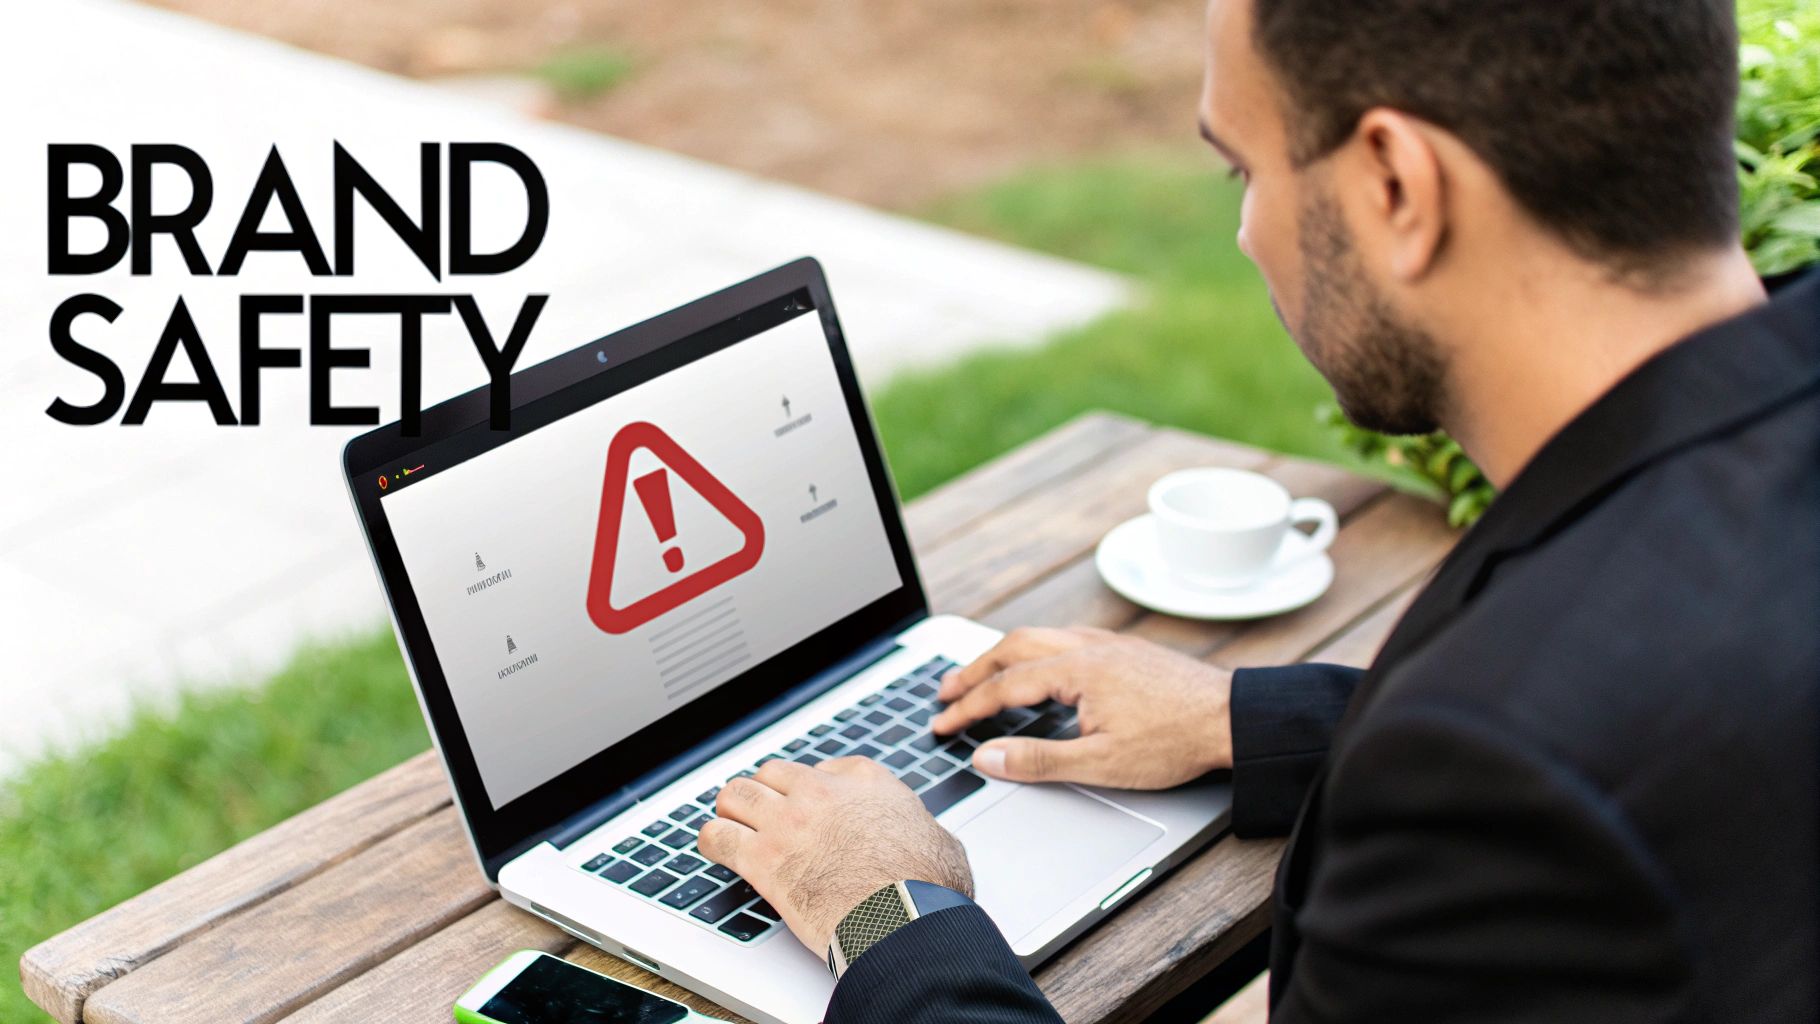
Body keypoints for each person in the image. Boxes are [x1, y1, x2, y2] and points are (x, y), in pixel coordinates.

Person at [697, 0, 1820, 1019]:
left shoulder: (1495, 764)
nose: (1244, 235)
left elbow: (1550, 769)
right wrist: (1245, 722)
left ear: (1394, 186)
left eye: (1244, 171)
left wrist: (886, 910)